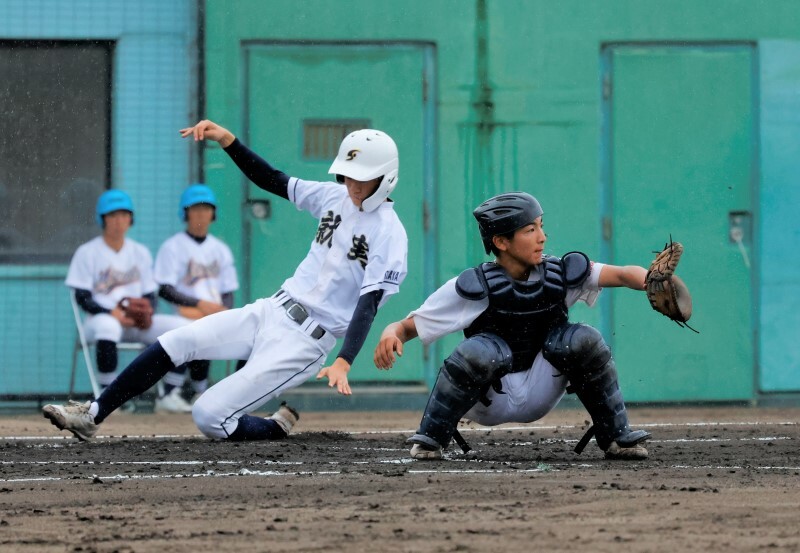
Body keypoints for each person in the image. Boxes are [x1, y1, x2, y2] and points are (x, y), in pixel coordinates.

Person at [43, 120, 408, 442]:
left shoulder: (390, 233)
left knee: (208, 415)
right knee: (175, 340)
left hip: (305, 343)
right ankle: (92, 415)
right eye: (348, 174)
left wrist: (344, 360)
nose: (353, 184)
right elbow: (273, 179)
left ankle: (274, 427)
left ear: (385, 176)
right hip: (271, 310)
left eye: (363, 176)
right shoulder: (335, 196)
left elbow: (369, 302)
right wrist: (228, 141)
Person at [374, 192, 651, 460]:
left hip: (541, 390)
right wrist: (391, 332)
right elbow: (407, 326)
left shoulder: (559, 274)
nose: (542, 237)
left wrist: (652, 280)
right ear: (501, 242)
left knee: (583, 339)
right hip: (490, 400)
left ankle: (616, 436)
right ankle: (431, 438)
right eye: (530, 230)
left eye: (541, 227)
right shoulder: (475, 286)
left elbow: (624, 274)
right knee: (478, 350)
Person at [64, 189, 193, 413]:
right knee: (108, 325)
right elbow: (82, 297)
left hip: (135, 323)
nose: (119, 220)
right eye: (112, 215)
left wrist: (146, 312)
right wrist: (110, 311)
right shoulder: (87, 252)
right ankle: (107, 395)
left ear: (130, 219)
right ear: (102, 219)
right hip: (99, 321)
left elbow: (150, 294)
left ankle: (170, 394)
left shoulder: (139, 252)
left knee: (183, 328)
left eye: (124, 215)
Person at [153, 184, 240, 405]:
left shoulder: (220, 249)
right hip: (184, 312)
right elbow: (164, 289)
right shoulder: (172, 246)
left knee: (224, 330)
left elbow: (228, 290)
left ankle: (201, 393)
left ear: (213, 213)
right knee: (189, 331)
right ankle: (172, 391)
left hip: (212, 312)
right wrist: (200, 304)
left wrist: (223, 311)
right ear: (185, 213)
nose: (201, 213)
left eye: (206, 208)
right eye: (195, 208)